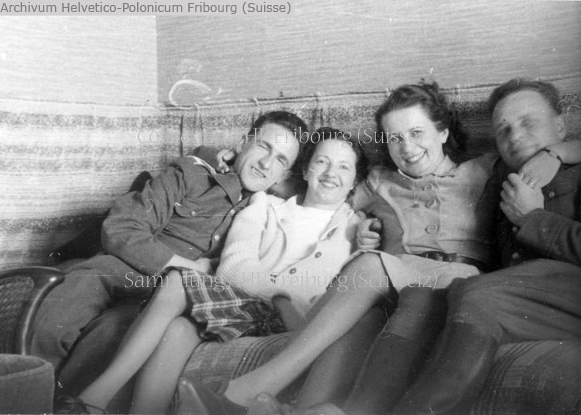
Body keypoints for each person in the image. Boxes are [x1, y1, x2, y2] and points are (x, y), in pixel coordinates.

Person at [237, 82, 581, 415]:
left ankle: (253, 387)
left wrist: (556, 152)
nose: (407, 147)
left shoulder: (486, 168)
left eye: (417, 133)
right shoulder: (379, 181)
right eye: (394, 138)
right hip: (400, 280)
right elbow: (324, 193)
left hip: (458, 278)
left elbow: (540, 149)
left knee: (369, 265)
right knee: (365, 317)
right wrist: (239, 170)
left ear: (443, 132)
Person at [74, 128, 368, 414]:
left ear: (356, 181)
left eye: (344, 167)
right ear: (304, 170)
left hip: (299, 321)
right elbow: (233, 266)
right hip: (249, 306)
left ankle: (95, 398)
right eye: (321, 162)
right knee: (178, 317)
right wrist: (279, 298)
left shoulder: (360, 228)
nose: (331, 173)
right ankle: (105, 399)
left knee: (178, 305)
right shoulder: (265, 204)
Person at [31, 111, 307, 407]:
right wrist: (188, 266)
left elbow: (320, 187)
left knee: (108, 339)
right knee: (53, 321)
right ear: (243, 143)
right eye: (263, 147)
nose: (266, 163)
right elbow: (121, 227)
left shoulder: (269, 210)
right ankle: (25, 400)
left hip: (158, 304)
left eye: (280, 159)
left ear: (285, 176)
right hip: (120, 269)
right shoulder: (193, 173)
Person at [385, 78, 581, 415]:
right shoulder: (496, 179)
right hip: (528, 307)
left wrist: (533, 217)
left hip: (569, 295)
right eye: (503, 130)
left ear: (561, 126)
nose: (515, 136)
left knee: (480, 293)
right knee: (422, 299)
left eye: (528, 123)